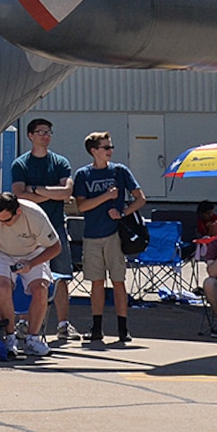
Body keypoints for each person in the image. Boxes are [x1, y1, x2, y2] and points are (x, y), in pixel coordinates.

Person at [71, 130, 145, 345]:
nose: (110, 151)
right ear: (94, 151)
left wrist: (123, 212)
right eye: (106, 147)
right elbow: (82, 205)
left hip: (114, 234)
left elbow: (140, 198)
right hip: (92, 234)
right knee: (96, 282)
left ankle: (123, 328)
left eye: (111, 147)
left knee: (119, 280)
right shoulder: (83, 174)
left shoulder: (120, 171)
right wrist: (106, 196)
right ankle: (97, 328)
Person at [0, 193, 62, 357]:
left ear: (18, 212)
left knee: (40, 289)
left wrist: (30, 264)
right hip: (0, 252)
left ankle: (32, 339)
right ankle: (10, 338)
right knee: (3, 286)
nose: (3, 224)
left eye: (7, 220)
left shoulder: (35, 215)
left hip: (33, 253)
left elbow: (56, 247)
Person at [9, 116, 77, 342]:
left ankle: (63, 324)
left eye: (48, 132)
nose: (45, 136)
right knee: (27, 274)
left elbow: (66, 193)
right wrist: (50, 193)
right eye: (41, 132)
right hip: (28, 230)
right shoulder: (21, 164)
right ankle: (24, 323)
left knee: (61, 277)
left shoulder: (60, 162)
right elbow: (19, 195)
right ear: (30, 136)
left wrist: (36, 189)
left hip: (55, 226)